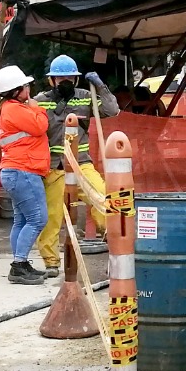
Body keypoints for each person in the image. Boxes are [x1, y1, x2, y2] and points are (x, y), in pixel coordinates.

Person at [34, 54, 120, 278]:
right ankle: (51, 262)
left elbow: (113, 111)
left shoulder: (85, 97)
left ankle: (116, 249)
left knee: (103, 199)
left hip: (82, 164)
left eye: (70, 78)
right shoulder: (40, 101)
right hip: (55, 166)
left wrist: (101, 86)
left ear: (77, 80)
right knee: (51, 215)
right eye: (60, 78)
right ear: (51, 80)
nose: (65, 82)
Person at [0, 64, 50, 285]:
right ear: (17, 90)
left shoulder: (8, 108)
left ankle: (21, 263)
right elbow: (40, 125)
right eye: (26, 86)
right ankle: (18, 266)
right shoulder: (16, 109)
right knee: (37, 219)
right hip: (24, 171)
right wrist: (38, 108)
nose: (29, 89)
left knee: (21, 220)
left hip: (14, 171)